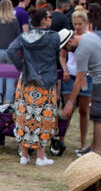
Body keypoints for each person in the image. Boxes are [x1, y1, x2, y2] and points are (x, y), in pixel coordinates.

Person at [6, 8, 61, 166]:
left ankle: (24, 155)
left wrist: (22, 66)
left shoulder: (24, 37)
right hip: (46, 81)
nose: (50, 19)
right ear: (43, 20)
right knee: (44, 117)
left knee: (24, 116)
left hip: (27, 81)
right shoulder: (53, 37)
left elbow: (11, 50)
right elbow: (57, 55)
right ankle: (40, 156)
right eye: (49, 17)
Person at [62, 9, 101, 157]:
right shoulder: (90, 36)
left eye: (66, 48)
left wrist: (70, 102)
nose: (68, 51)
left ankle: (97, 150)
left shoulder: (81, 51)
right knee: (97, 115)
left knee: (98, 117)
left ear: (70, 41)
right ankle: (93, 146)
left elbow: (79, 80)